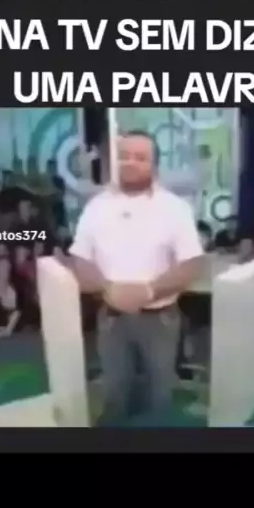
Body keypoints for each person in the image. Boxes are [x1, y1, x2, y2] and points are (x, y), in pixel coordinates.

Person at [69, 129, 204, 425]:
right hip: (111, 317)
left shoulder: (175, 208)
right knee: (114, 391)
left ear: (154, 164)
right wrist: (107, 288)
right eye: (124, 156)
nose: (130, 162)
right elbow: (80, 259)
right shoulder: (97, 207)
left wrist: (149, 290)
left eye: (140, 157)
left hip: (160, 319)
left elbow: (192, 263)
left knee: (160, 393)